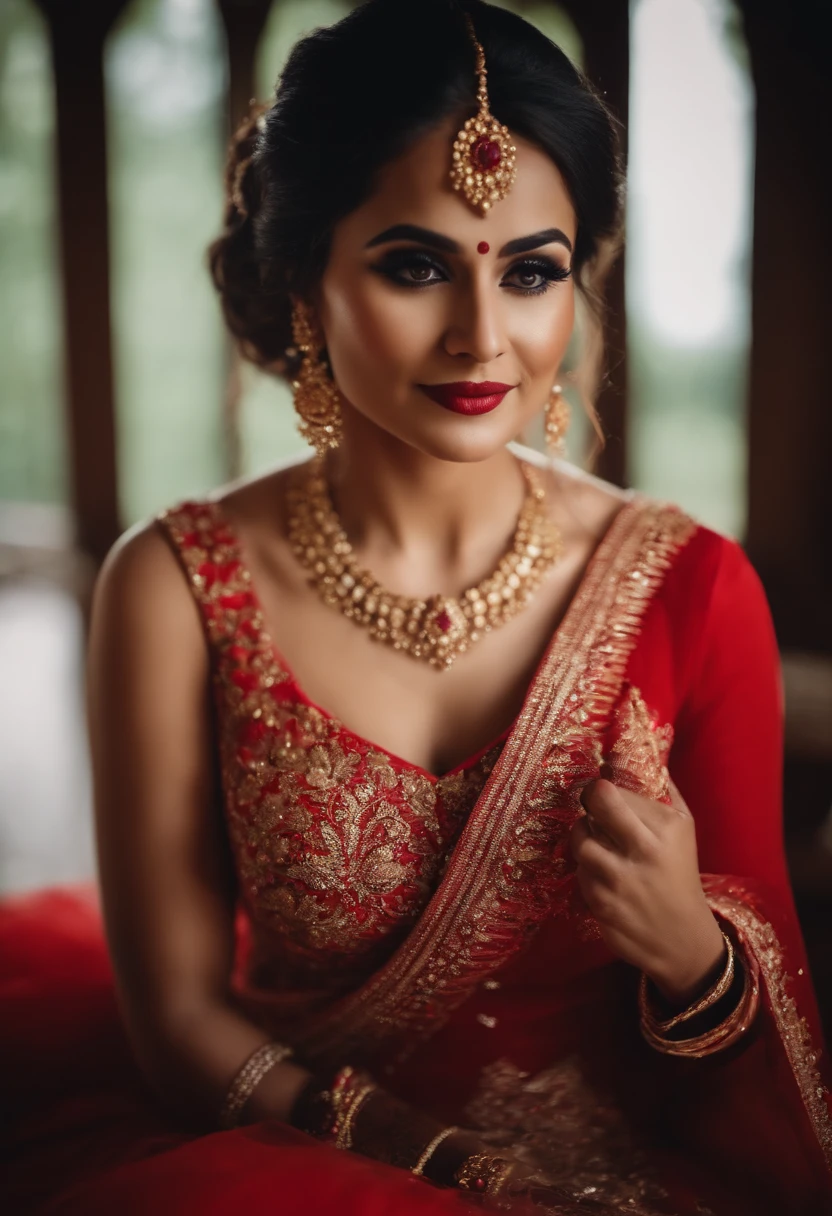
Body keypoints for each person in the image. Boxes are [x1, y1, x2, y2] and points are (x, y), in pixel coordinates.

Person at [2, 1, 831, 1212]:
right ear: (304, 276)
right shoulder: (177, 585)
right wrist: (435, 1160)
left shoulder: (689, 588)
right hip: (293, 1159)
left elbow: (773, 1042)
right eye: (412, 265)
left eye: (533, 271)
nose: (482, 336)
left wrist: (692, 954)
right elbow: (177, 1016)